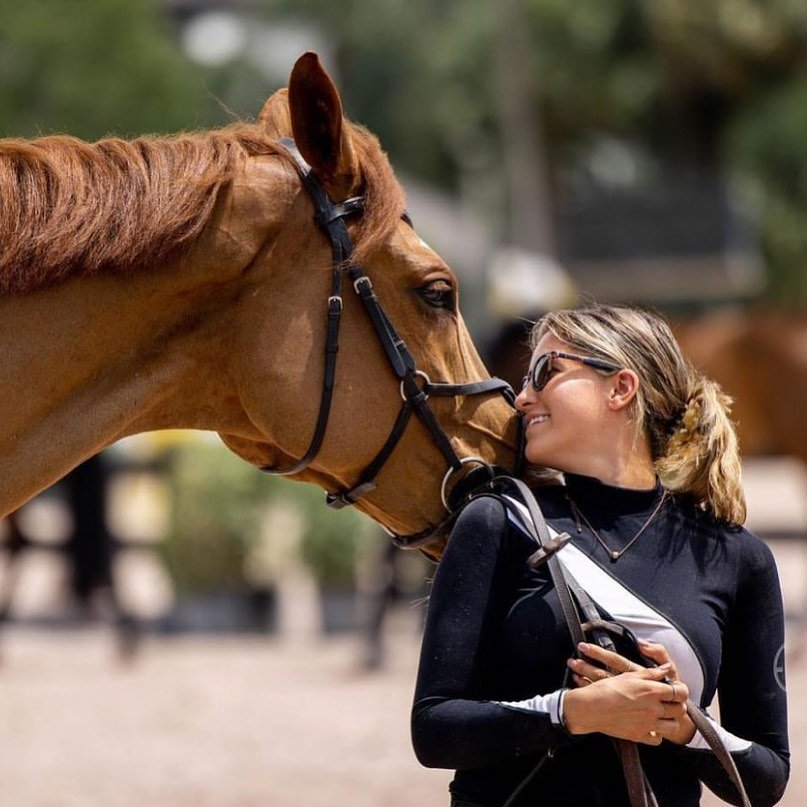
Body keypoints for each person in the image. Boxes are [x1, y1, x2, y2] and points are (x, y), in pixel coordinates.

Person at [411, 304, 789, 807]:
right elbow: (434, 728)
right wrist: (578, 711)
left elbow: (767, 778)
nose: (521, 397)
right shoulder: (498, 521)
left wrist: (682, 723)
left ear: (620, 388)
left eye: (547, 372)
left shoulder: (738, 557)